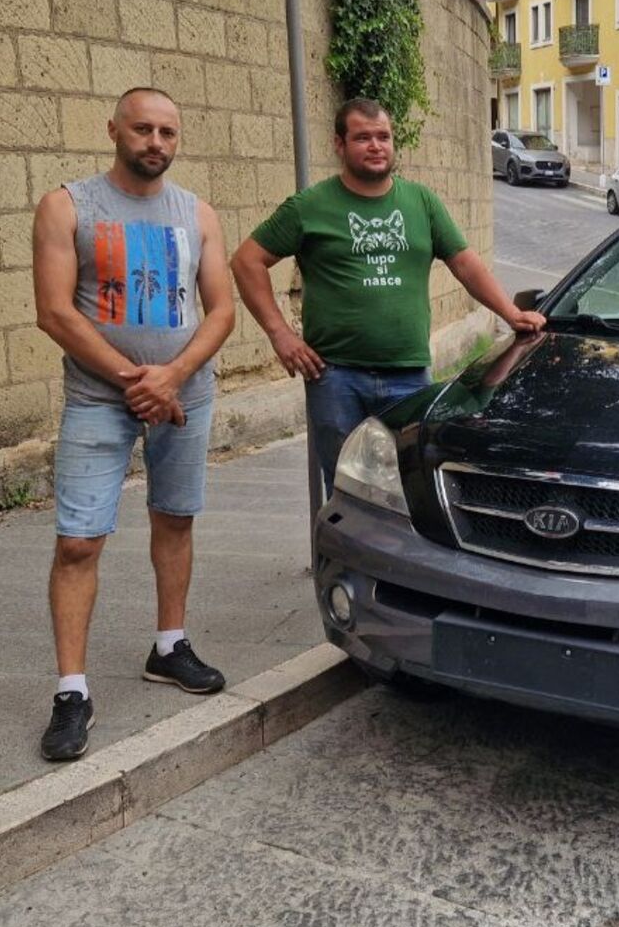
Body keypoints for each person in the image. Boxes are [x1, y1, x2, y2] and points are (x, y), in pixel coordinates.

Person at [31, 87, 236, 762]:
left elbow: (220, 312)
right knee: (78, 543)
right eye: (144, 129)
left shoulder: (197, 214)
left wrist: (172, 379)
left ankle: (169, 647)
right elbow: (56, 313)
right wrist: (137, 382)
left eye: (169, 132)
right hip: (98, 399)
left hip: (185, 394)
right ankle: (71, 692)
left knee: (175, 518)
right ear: (114, 129)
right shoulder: (68, 206)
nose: (156, 142)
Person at [231, 98, 547, 496]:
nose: (376, 145)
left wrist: (510, 312)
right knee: (346, 488)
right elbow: (246, 261)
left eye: (383, 136)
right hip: (335, 376)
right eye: (363, 137)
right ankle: (346, 561)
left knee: (411, 487)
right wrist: (280, 334)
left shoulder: (421, 203)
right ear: (339, 145)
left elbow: (465, 263)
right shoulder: (309, 206)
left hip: (409, 375)